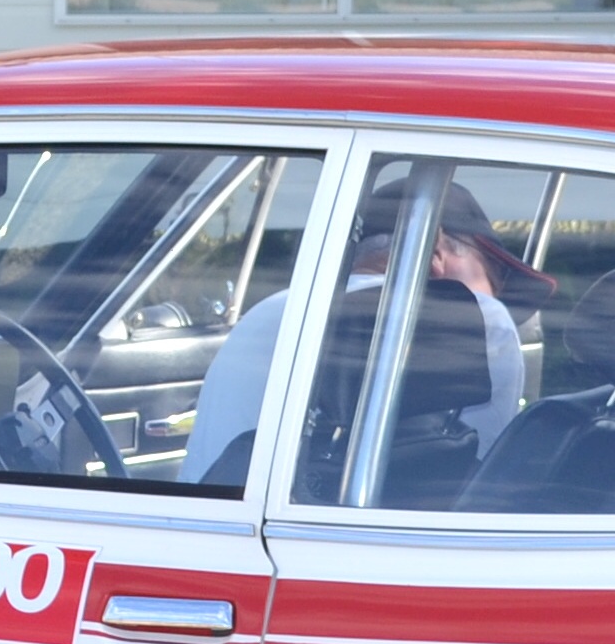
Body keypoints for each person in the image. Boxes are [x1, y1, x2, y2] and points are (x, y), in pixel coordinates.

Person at [177, 177, 551, 486]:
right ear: (435, 250)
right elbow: (483, 487)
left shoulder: (269, 311)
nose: (494, 294)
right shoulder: (479, 318)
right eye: (493, 275)